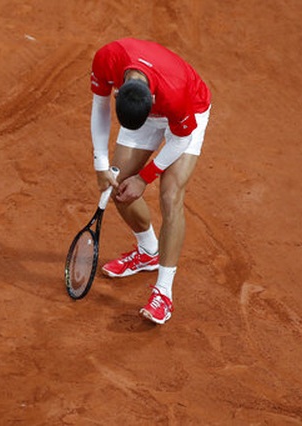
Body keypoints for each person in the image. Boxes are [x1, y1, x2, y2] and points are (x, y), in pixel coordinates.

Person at [89, 38, 211, 325]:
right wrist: (101, 164)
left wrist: (145, 178)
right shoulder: (108, 58)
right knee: (116, 186)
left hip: (187, 114)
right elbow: (100, 107)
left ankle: (164, 291)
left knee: (170, 196)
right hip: (147, 112)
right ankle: (148, 251)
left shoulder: (176, 91)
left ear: (153, 101)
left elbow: (180, 140)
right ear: (119, 91)